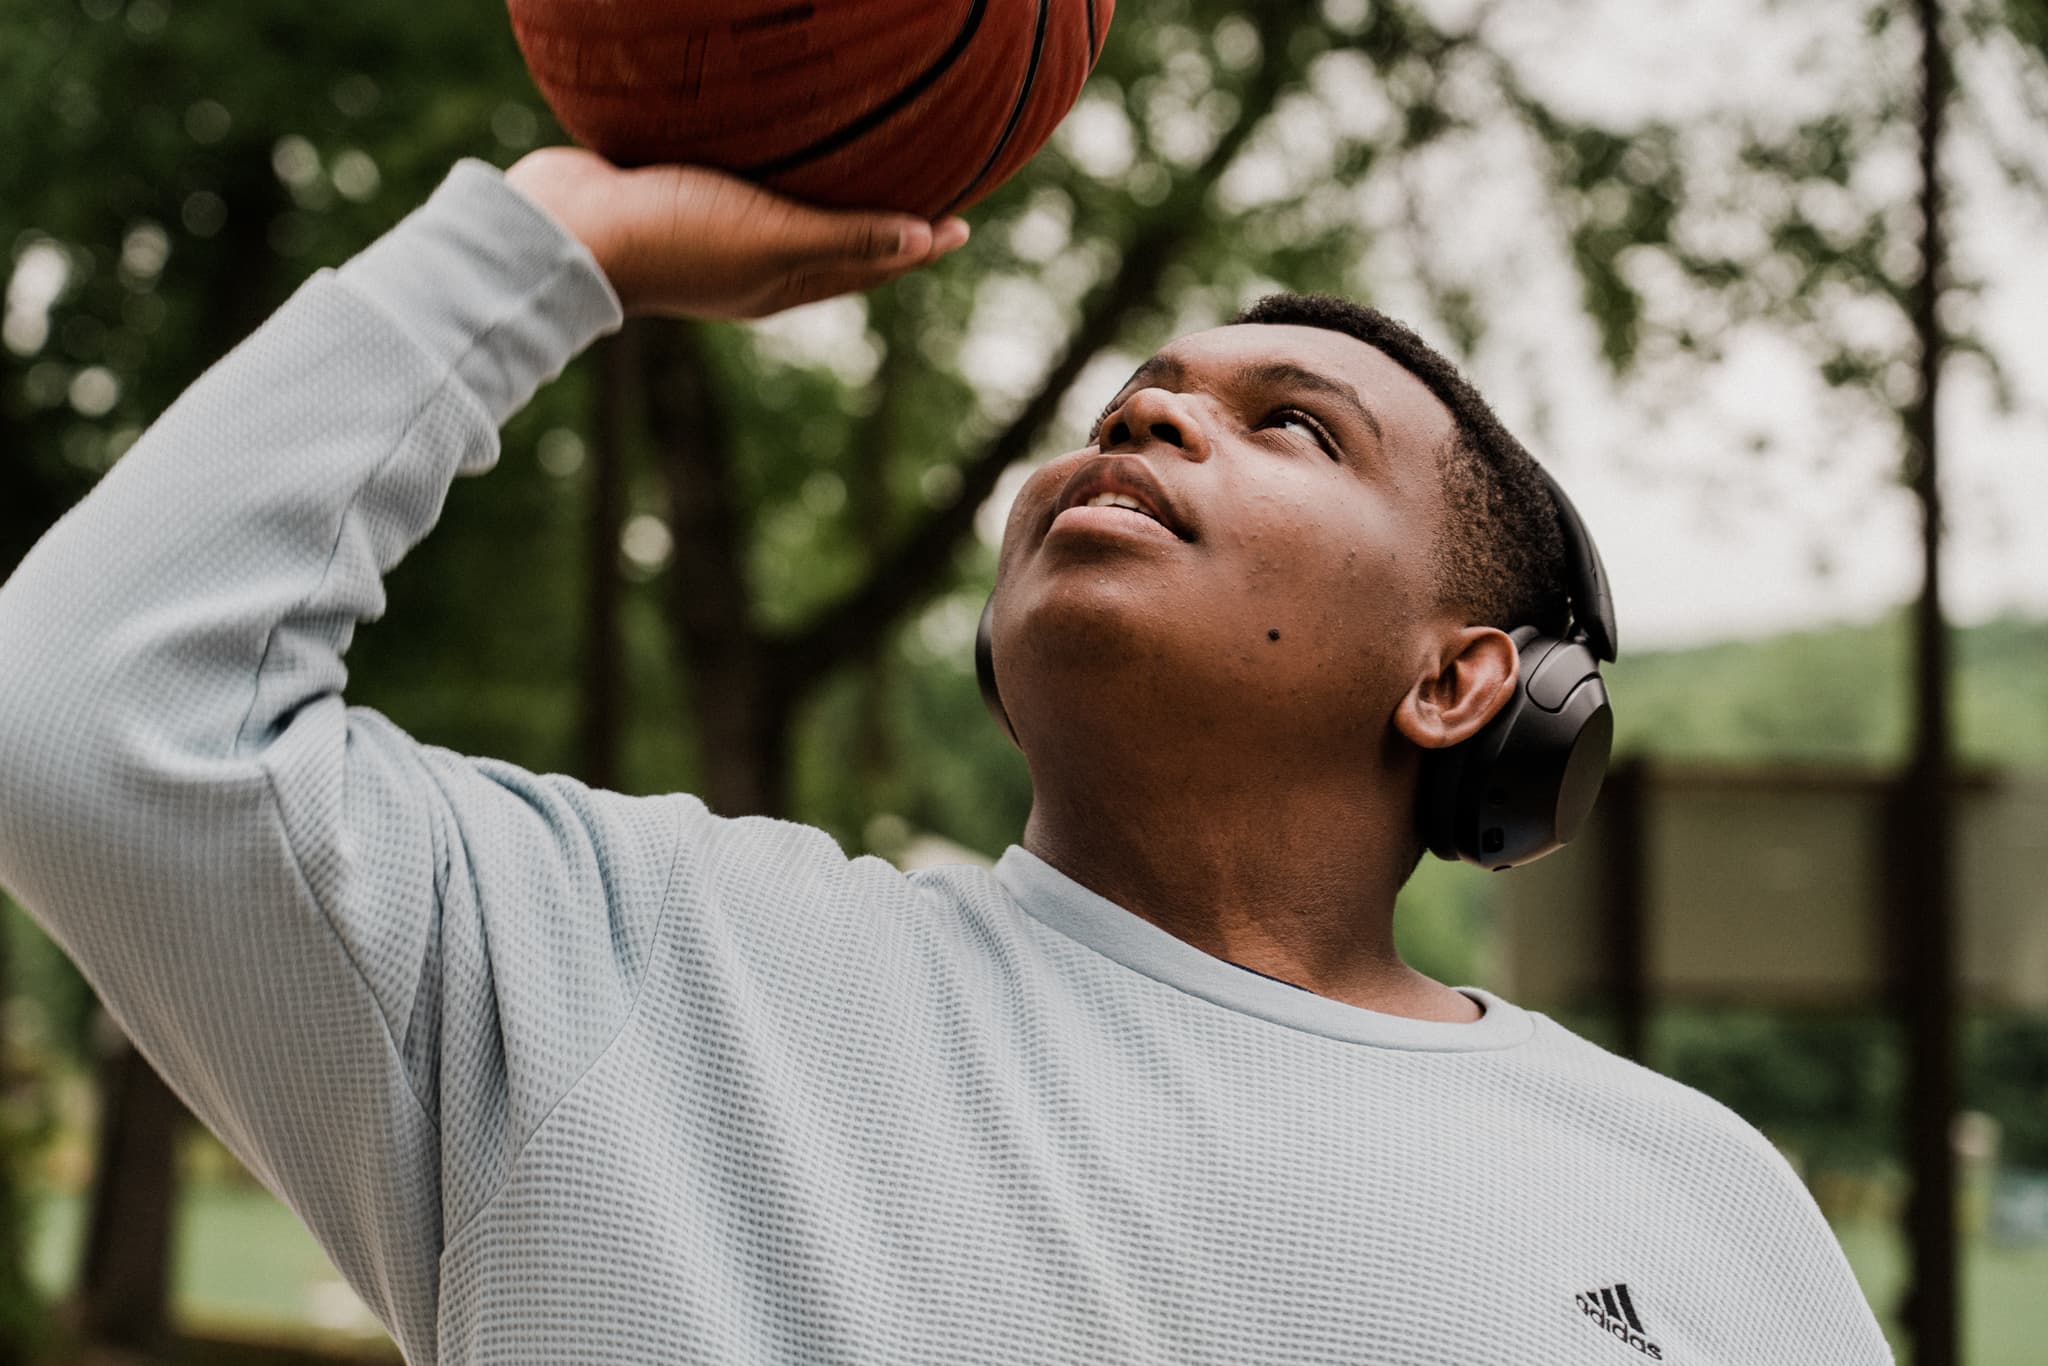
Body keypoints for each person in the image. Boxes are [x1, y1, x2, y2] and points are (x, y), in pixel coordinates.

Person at [0, 148, 1890, 1365]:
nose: (1150, 408)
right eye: (1132, 396)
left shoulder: (1688, 1193)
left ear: (1465, 681)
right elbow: (82, 714)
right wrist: (549, 241)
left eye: (1293, 425)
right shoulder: (630, 968)